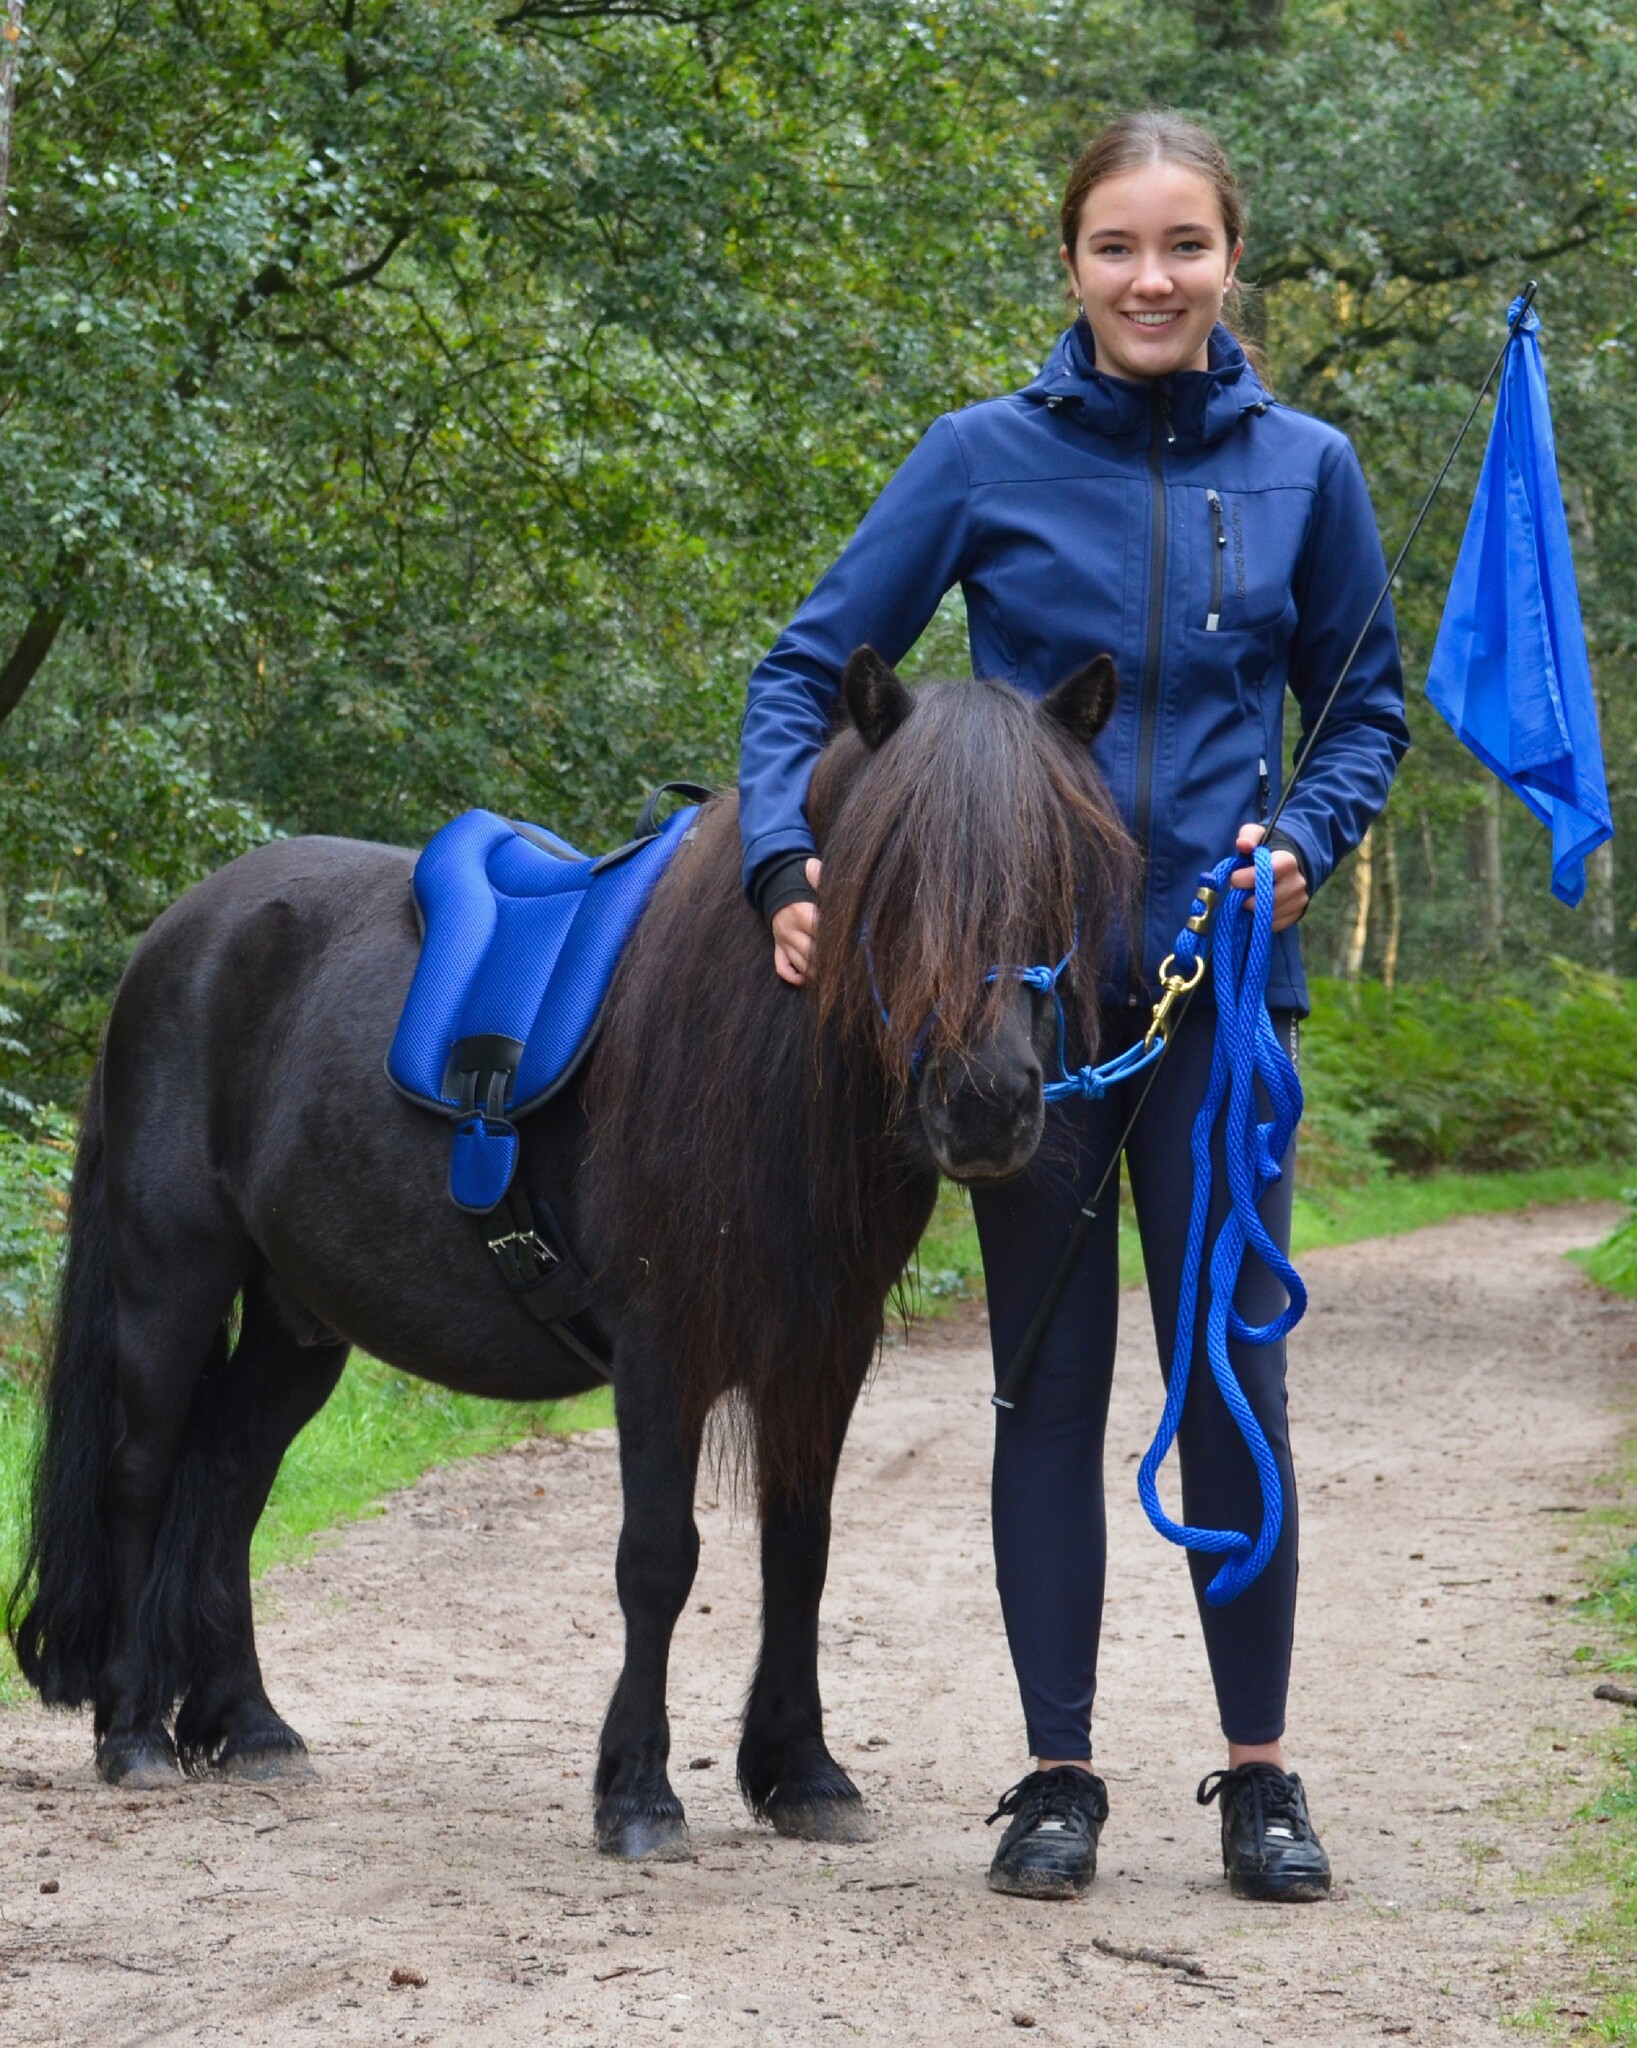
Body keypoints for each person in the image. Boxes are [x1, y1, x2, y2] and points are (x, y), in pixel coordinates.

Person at [737, 110, 1408, 1903]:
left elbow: (1364, 708)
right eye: (1118, 246)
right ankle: (1057, 1775)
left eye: (1183, 245)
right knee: (1043, 1383)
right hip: (1017, 1016)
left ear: (1228, 260)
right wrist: (783, 869)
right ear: (1071, 264)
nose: (1150, 278)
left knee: (1230, 1383)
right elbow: (807, 669)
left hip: (1218, 1001)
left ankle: (1258, 1775)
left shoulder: (1309, 471)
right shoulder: (979, 457)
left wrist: (1307, 841)